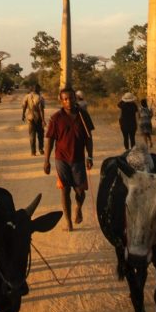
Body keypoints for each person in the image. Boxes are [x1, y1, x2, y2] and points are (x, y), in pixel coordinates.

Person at [44, 87, 94, 231]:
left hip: (78, 159)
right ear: (61, 101)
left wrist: (90, 156)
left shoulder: (83, 116)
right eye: (65, 99)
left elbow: (89, 139)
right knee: (65, 190)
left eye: (71, 98)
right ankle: (68, 222)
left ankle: (78, 207)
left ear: (75, 98)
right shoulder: (56, 118)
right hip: (62, 159)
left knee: (80, 191)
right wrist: (46, 161)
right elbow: (50, 141)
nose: (69, 101)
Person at [21, 84, 46, 156]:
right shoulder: (40, 98)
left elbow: (24, 106)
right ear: (38, 89)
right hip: (38, 118)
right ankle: (41, 149)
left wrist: (23, 115)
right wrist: (43, 120)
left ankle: (33, 152)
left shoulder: (27, 96)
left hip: (30, 117)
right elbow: (41, 109)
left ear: (32, 89)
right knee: (40, 134)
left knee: (32, 135)